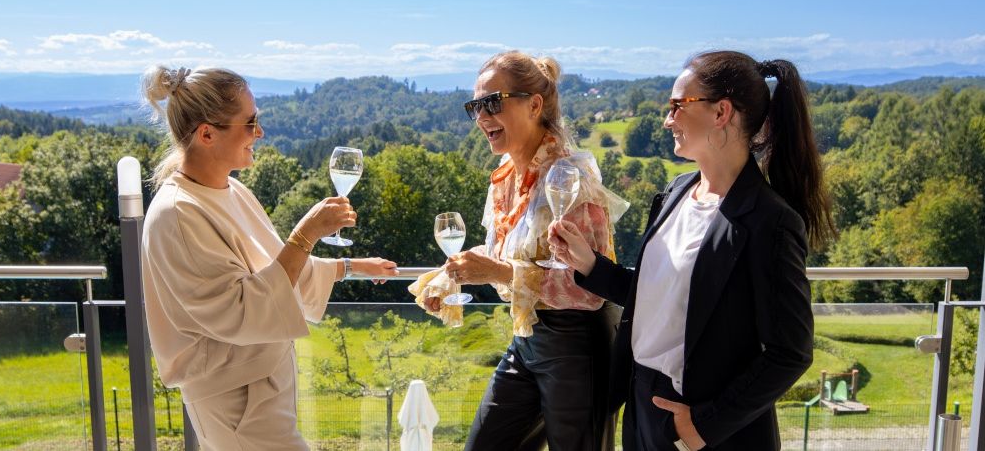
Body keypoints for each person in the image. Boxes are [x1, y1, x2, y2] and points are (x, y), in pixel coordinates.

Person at [549, 51, 835, 450]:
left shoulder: (769, 221)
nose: (668, 119)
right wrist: (591, 265)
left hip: (704, 426)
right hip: (643, 405)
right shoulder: (676, 192)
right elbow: (662, 297)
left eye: (677, 106)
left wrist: (706, 424)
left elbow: (791, 352)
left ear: (721, 113)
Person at [139, 65, 398, 450]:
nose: (259, 132)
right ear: (206, 133)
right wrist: (306, 234)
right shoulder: (177, 214)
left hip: (260, 387)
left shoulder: (232, 192)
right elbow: (241, 308)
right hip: (235, 402)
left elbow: (276, 270)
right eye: (250, 122)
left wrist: (351, 266)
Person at [418, 51, 629, 451]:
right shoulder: (504, 179)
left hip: (577, 346)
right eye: (475, 106)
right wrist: (451, 276)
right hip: (527, 339)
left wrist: (496, 274)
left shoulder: (571, 178)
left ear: (534, 104)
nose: (481, 116)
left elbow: (586, 290)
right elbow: (503, 250)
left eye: (493, 103)